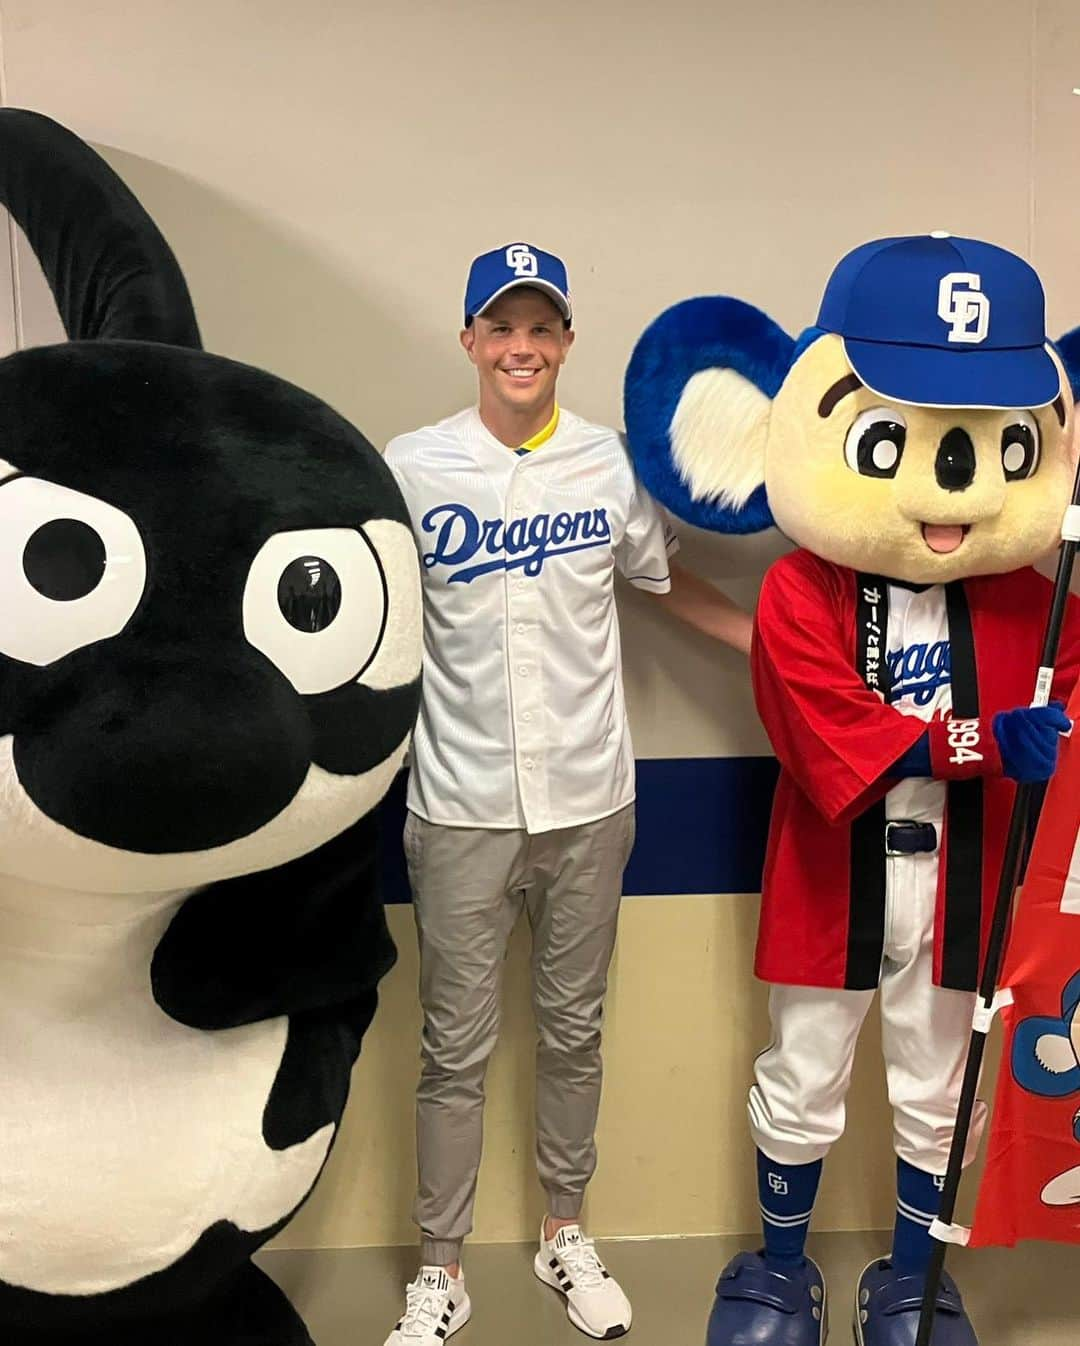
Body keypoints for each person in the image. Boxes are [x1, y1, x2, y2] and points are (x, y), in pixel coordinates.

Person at [382, 241, 750, 1344]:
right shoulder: (411, 466)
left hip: (592, 801)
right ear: (470, 342)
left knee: (575, 1032)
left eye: (541, 328)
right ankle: (440, 1269)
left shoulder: (607, 465)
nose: (522, 348)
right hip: (458, 803)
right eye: (502, 327)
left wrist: (768, 641)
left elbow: (660, 576)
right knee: (452, 1046)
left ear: (566, 343)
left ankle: (562, 1231)